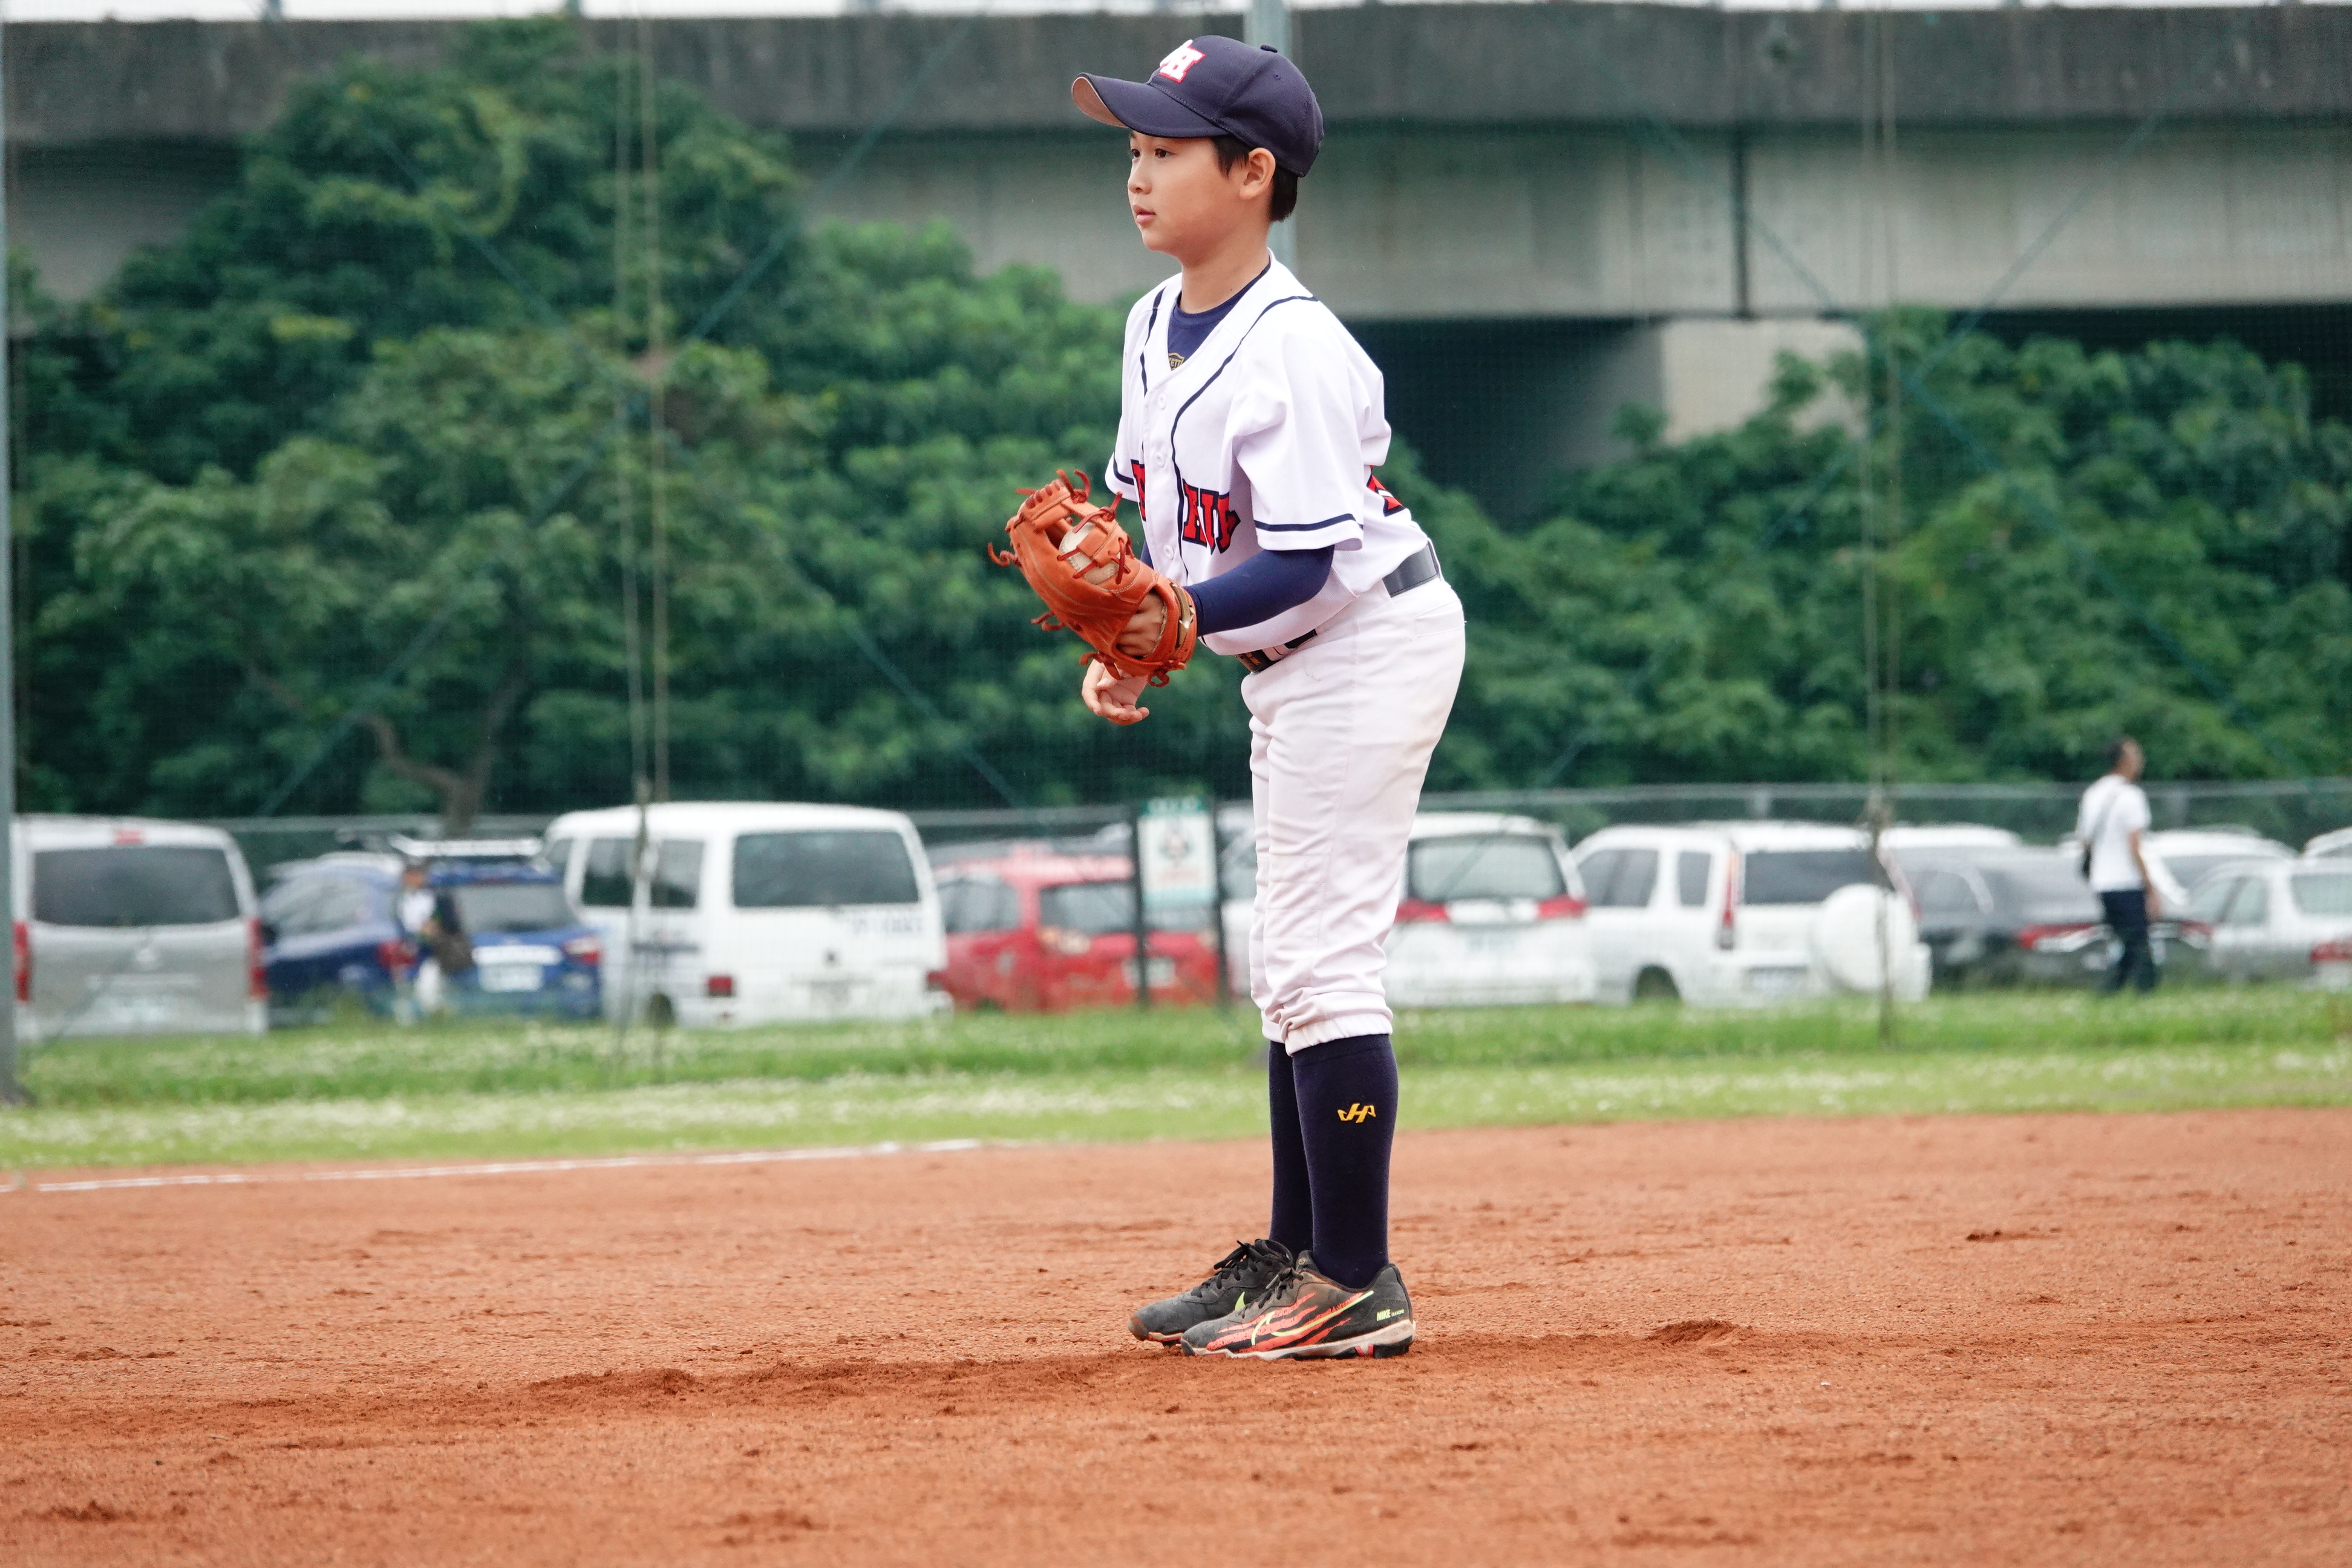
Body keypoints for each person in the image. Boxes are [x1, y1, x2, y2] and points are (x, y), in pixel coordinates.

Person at [1071, 37, 1465, 1360]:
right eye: (1134, 149)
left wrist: (1172, 627)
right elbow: (1151, 533)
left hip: (1365, 639)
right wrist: (1133, 637)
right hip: (1294, 659)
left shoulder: (1291, 347)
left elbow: (1298, 560)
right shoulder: (1151, 324)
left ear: (1252, 174)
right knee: (1284, 973)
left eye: (1166, 150)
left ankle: (1354, 1280)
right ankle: (1295, 1261)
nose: (1137, 174)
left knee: (1321, 964)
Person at [2079, 735, 2160, 994]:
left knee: (2126, 941)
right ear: (2124, 760)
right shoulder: (2131, 796)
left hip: (2102, 882)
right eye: (2136, 755)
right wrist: (2150, 886)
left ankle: (2111, 992)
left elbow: (2085, 842)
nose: (2140, 761)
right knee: (2139, 941)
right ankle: (2141, 992)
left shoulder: (2093, 794)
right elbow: (2134, 845)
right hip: (2127, 880)